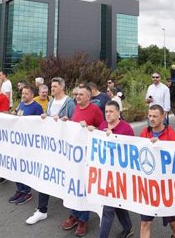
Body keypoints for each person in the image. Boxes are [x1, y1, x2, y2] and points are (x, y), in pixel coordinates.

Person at [26, 77, 76, 226]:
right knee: (45, 175)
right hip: (50, 146)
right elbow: (49, 119)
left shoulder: (69, 103)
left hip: (64, 149)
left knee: (67, 178)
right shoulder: (52, 102)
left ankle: (74, 214)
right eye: (51, 86)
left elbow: (75, 123)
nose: (51, 89)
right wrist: (45, 117)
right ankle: (41, 210)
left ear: (62, 87)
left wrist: (64, 120)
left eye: (54, 86)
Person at [60, 84, 103, 237]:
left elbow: (102, 128)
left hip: (88, 155)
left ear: (89, 97)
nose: (77, 97)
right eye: (77, 94)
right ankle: (74, 214)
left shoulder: (95, 110)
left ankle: (83, 219)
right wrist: (67, 121)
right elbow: (74, 126)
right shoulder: (76, 108)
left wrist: (93, 128)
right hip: (75, 156)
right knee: (74, 185)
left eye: (81, 95)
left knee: (84, 187)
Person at [90, 101, 135, 238]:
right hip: (104, 173)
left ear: (118, 112)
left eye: (111, 111)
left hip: (119, 175)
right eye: (106, 112)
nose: (108, 114)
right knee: (117, 205)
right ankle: (127, 227)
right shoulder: (103, 125)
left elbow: (132, 152)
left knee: (108, 209)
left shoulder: (126, 129)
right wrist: (90, 130)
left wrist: (114, 139)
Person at [139, 104, 175, 238]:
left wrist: (161, 146)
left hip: (165, 187)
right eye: (149, 116)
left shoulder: (172, 135)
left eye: (155, 116)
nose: (151, 119)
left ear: (163, 117)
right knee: (145, 223)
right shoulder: (144, 133)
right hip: (148, 187)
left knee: (171, 220)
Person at [8, 85, 43, 205]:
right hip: (17, 141)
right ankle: (20, 189)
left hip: (28, 144)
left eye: (26, 94)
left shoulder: (37, 107)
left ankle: (27, 192)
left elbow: (40, 125)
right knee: (16, 167)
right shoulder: (21, 104)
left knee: (24, 168)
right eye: (23, 93)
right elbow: (17, 115)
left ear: (32, 95)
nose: (23, 95)